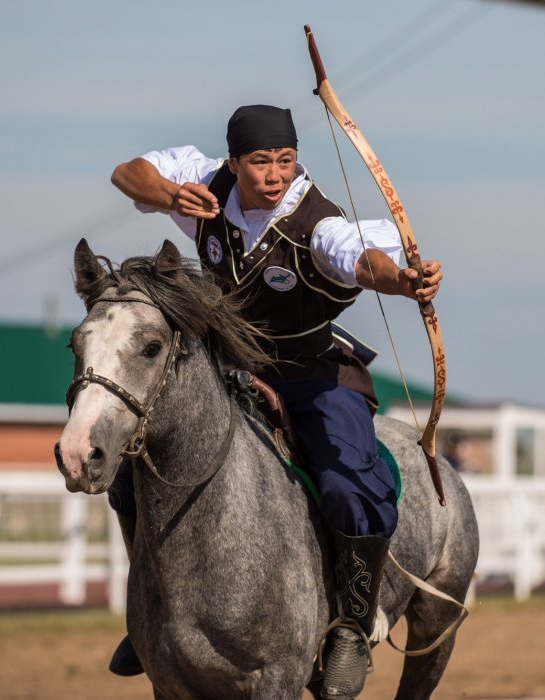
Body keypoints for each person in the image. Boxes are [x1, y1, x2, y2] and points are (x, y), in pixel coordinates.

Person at [109, 104, 443, 697]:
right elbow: (125, 174)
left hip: (311, 372)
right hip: (225, 367)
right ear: (234, 162)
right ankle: (151, 615)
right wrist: (169, 195)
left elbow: (363, 262)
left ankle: (350, 627)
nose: (275, 174)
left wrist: (403, 281)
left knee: (348, 486)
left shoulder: (317, 222)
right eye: (260, 162)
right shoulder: (205, 179)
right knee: (129, 472)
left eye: (285, 160)